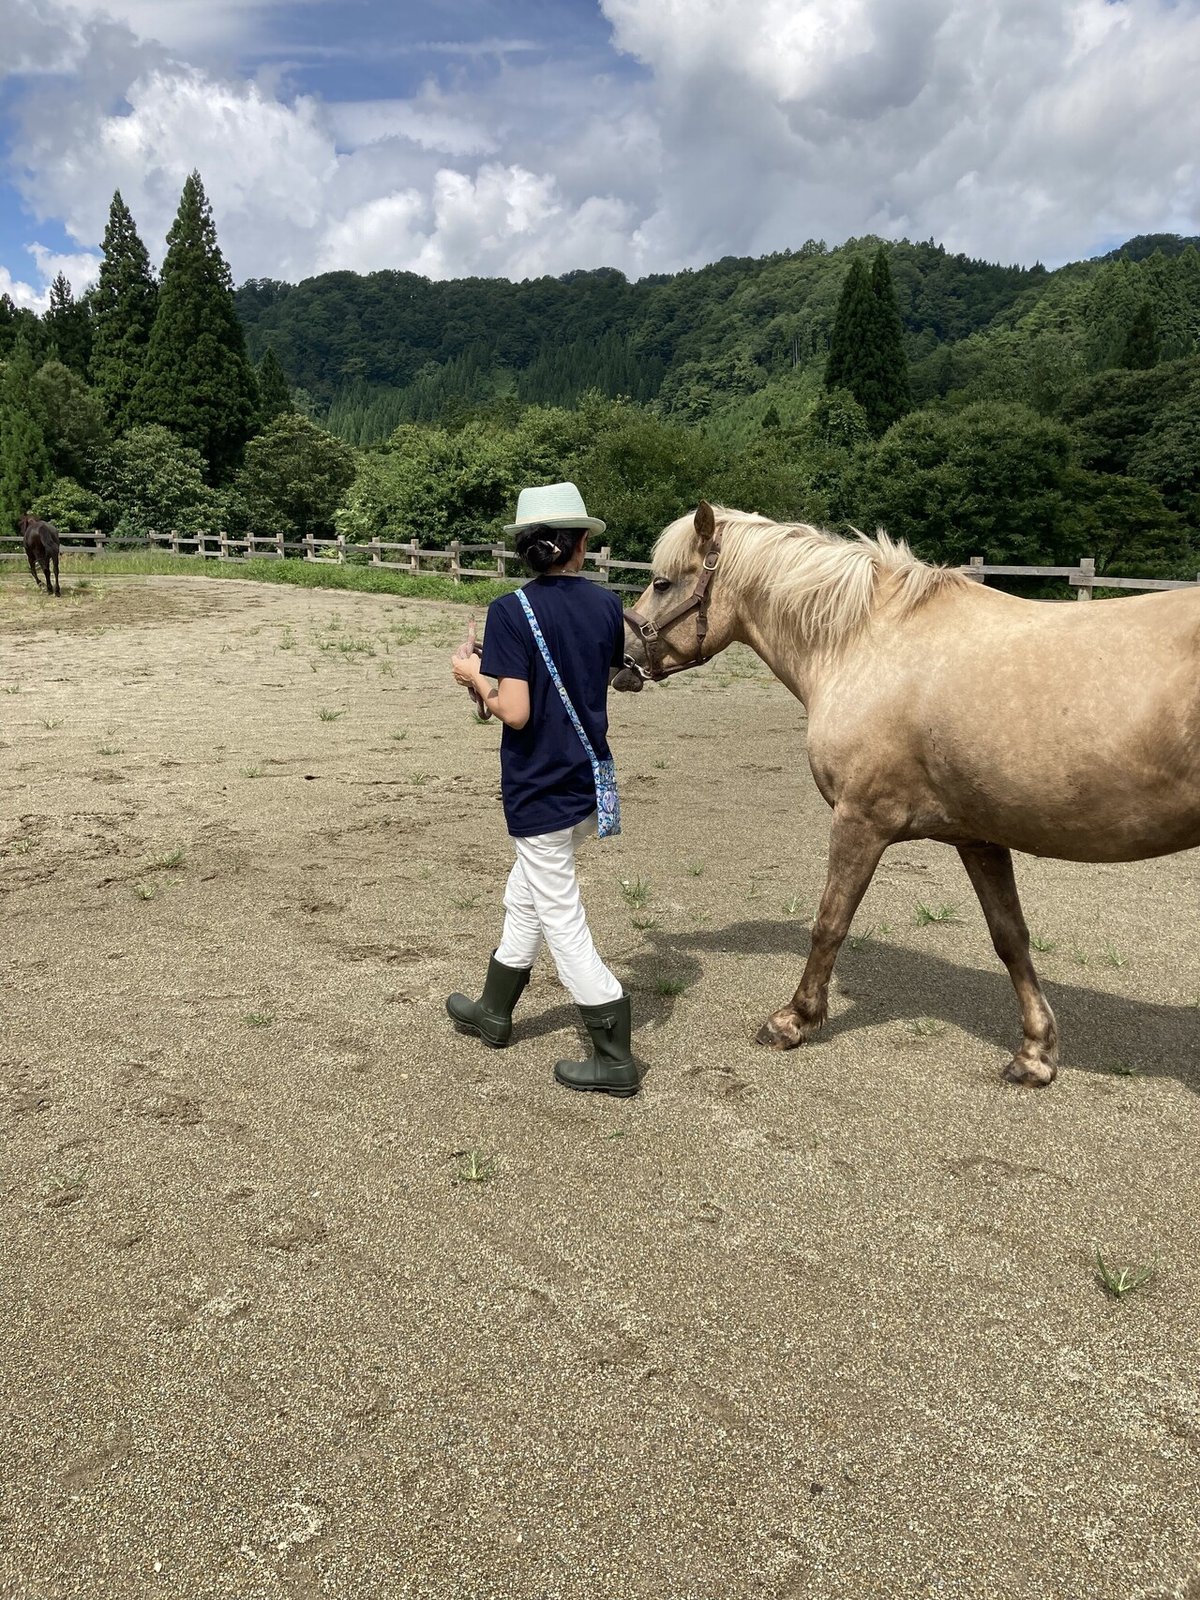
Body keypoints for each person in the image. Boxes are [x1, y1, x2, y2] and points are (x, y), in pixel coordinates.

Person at [447, 482, 640, 1097]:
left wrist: (475, 675)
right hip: (586, 781)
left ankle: (614, 1051)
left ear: (527, 548)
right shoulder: (608, 606)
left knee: (559, 913)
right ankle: (493, 1010)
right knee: (525, 894)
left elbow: (518, 711)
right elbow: (601, 671)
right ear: (580, 545)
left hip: (539, 787)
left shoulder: (511, 611)